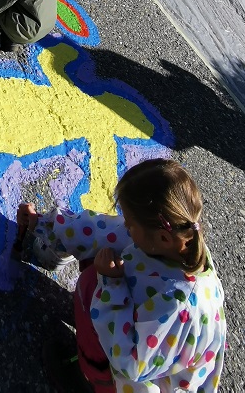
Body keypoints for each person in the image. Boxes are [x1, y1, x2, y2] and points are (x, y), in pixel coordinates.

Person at [18, 158, 226, 393]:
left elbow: (131, 364)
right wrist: (43, 224)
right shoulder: (173, 241)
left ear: (163, 238)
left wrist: (112, 284)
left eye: (130, 224)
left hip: (144, 380)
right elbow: (101, 229)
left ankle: (87, 379)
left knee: (90, 283)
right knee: (103, 251)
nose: (125, 226)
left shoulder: (178, 307)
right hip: (151, 349)